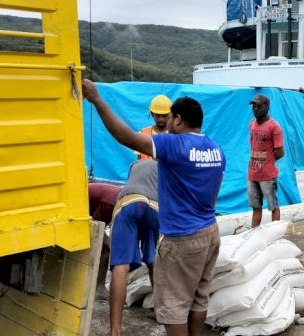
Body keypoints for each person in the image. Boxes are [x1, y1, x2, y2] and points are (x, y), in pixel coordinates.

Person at [82, 79, 226, 336]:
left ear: (179, 120)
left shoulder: (174, 144)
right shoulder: (216, 149)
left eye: (169, 118)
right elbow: (213, 195)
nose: (166, 123)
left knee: (174, 307)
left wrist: (97, 100)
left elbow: (124, 136)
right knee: (199, 298)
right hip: (210, 231)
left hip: (182, 238)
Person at [109, 159, 159, 336]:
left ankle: (115, 331)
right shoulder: (165, 166)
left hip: (129, 203)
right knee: (153, 259)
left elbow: (130, 184)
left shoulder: (134, 164)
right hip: (154, 207)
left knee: (120, 264)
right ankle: (159, 312)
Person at [247, 94, 284, 227]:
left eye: (258, 106)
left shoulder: (274, 127)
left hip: (268, 176)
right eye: (253, 106)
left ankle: (275, 234)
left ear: (267, 107)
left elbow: (280, 152)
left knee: (273, 206)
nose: (255, 109)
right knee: (255, 207)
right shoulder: (251, 124)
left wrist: (266, 162)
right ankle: (254, 235)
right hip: (252, 174)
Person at [88, 182, 123, 301]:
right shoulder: (111, 204)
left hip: (91, 205)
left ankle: (98, 286)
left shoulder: (122, 201)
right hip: (78, 206)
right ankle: (99, 288)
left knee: (105, 246)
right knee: (105, 247)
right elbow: (96, 227)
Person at [136, 95, 171, 160]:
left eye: (164, 116)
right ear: (152, 114)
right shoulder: (142, 134)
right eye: (158, 115)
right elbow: (138, 163)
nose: (161, 119)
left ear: (170, 114)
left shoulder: (177, 135)